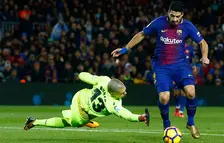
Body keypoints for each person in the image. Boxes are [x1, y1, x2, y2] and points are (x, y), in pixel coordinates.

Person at [111, 1, 209, 139]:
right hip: (161, 66)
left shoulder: (187, 26)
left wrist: (204, 56)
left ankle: (190, 123)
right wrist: (125, 49)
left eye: (178, 16)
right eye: (172, 15)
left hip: (180, 65)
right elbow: (142, 34)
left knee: (191, 92)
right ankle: (166, 124)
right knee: (164, 97)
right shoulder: (159, 22)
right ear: (168, 12)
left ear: (182, 15)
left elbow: (202, 42)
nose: (175, 19)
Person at [24, 72, 150, 130]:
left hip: (78, 96)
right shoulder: (113, 103)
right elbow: (126, 114)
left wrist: (80, 75)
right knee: (68, 123)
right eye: (122, 93)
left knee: (71, 120)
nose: (125, 93)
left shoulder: (104, 80)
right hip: (81, 114)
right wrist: (139, 118)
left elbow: (86, 76)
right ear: (113, 93)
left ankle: (34, 122)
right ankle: (35, 122)